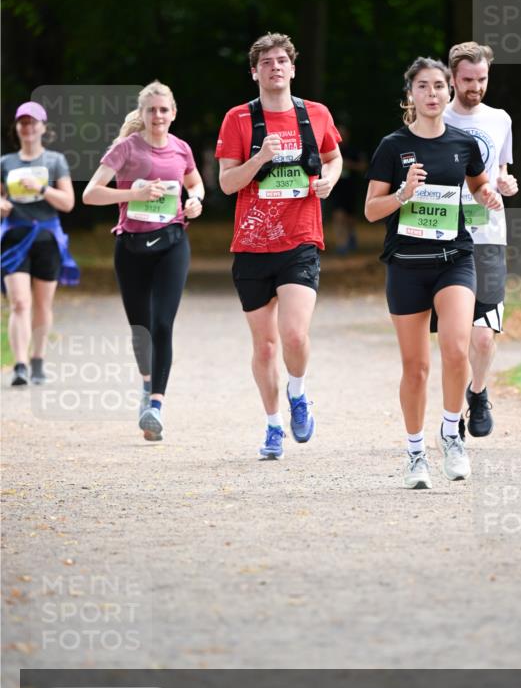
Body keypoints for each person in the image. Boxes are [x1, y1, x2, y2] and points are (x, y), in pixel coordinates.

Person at [365, 57, 502, 488]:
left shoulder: (464, 143)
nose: (432, 94)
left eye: (439, 86)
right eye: (423, 87)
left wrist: (489, 194)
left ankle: (450, 432)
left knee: (458, 349)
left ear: (449, 93)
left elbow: (480, 184)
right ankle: (415, 452)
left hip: (454, 258)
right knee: (416, 367)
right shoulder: (392, 146)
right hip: (407, 265)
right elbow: (371, 210)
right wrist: (404, 193)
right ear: (411, 95)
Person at [216, 32, 342, 460]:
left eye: (281, 61)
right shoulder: (238, 119)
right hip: (252, 244)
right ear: (254, 72)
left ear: (292, 68)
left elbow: (333, 156)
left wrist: (330, 179)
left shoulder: (315, 114)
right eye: (266, 62)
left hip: (301, 238)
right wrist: (259, 158)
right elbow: (227, 182)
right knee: (265, 345)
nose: (274, 67)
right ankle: (272, 426)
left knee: (294, 333)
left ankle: (299, 394)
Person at [82, 81, 204, 440]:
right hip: (132, 246)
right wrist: (130, 193)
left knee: (163, 323)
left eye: (164, 110)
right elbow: (90, 194)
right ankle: (146, 382)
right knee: (142, 328)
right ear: (142, 113)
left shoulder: (181, 149)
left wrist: (196, 200)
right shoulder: (125, 149)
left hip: (172, 243)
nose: (158, 116)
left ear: (173, 113)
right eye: (151, 110)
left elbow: (195, 184)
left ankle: (156, 405)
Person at [444, 42, 518, 438]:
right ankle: (451, 414)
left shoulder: (500, 119)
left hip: (488, 234)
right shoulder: (437, 117)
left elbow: (500, 172)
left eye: (482, 79)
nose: (475, 87)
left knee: (483, 336)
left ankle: (478, 392)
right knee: (455, 338)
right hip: (445, 233)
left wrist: (505, 183)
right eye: (468, 80)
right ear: (453, 77)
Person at [1, 101, 78, 386]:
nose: (28, 127)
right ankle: (19, 365)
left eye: (33, 122)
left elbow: (68, 202)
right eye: (22, 122)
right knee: (20, 302)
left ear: (43, 127)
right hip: (14, 237)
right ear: (17, 128)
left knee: (43, 304)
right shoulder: (5, 163)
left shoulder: (55, 161)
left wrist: (42, 189)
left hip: (47, 237)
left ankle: (38, 360)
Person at [329, 123, 367, 254]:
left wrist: (349, 165)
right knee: (338, 216)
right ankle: (341, 244)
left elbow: (363, 166)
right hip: (335, 188)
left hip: (350, 188)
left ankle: (351, 236)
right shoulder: (330, 149)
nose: (341, 136)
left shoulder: (354, 150)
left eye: (343, 133)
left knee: (350, 218)